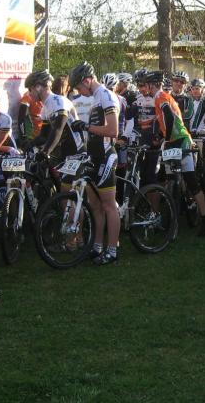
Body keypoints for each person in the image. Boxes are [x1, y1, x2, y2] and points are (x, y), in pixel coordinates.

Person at [145, 70, 205, 235]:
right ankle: (204, 220)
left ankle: (159, 216)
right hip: (181, 139)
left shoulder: (160, 97)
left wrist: (166, 139)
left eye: (146, 85)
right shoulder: (165, 96)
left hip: (178, 141)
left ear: (151, 85)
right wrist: (161, 136)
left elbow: (169, 117)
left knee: (170, 180)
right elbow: (169, 121)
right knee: (183, 180)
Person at [68, 62, 121, 265]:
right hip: (94, 156)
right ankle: (97, 246)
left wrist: (86, 127)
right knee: (95, 205)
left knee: (108, 205)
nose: (79, 92)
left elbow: (113, 131)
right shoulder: (96, 97)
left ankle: (112, 250)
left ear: (87, 80)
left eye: (79, 87)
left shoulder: (106, 96)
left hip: (106, 156)